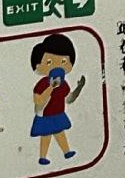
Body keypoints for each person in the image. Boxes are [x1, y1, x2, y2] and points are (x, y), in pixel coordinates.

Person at [30, 35, 85, 167]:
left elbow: (69, 99)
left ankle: (67, 152)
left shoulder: (64, 84)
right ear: (38, 65)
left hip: (58, 113)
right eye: (49, 62)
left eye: (63, 61)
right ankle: (43, 157)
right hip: (45, 115)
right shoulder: (43, 84)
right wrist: (51, 87)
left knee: (60, 133)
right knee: (46, 135)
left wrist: (79, 87)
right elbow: (38, 100)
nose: (56, 66)